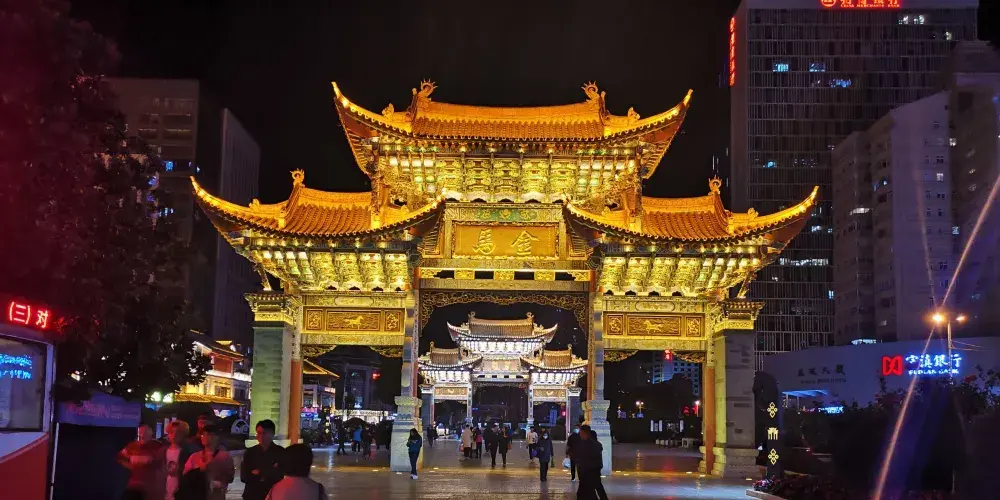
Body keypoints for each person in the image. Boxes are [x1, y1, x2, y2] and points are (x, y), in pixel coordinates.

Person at [183, 424, 235, 500]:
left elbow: (230, 477)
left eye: (208, 434)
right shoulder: (194, 456)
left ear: (216, 437)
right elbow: (185, 475)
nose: (204, 437)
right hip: (197, 495)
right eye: (203, 435)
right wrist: (199, 470)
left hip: (216, 496)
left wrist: (219, 482)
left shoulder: (225, 456)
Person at [117, 423, 165, 500]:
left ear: (151, 432)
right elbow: (119, 457)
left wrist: (145, 461)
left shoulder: (158, 446)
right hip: (133, 486)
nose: (142, 434)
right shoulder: (132, 445)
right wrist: (130, 464)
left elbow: (160, 464)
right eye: (141, 431)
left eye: (145, 431)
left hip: (150, 488)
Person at [240, 419, 285, 500]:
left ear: (272, 433)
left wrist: (259, 473)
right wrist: (269, 471)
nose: (261, 436)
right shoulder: (250, 452)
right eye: (259, 433)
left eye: (264, 433)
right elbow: (244, 476)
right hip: (252, 494)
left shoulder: (280, 452)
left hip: (273, 493)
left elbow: (280, 475)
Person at [575, 425, 608, 500]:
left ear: (585, 433)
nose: (580, 435)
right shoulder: (594, 444)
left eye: (581, 433)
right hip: (592, 470)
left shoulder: (587, 444)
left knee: (587, 491)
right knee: (596, 488)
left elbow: (586, 458)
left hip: (588, 471)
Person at [164, 420, 194, 500]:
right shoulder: (163, 450)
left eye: (178, 433)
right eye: (171, 432)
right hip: (165, 489)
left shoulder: (188, 451)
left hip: (181, 489)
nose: (174, 435)